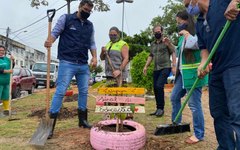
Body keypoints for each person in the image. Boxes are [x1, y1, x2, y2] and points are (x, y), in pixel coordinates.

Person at [44, 0, 97, 139]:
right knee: (61, 91)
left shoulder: (90, 25)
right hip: (67, 62)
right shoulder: (66, 19)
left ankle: (83, 121)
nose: (87, 12)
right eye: (85, 9)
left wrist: (95, 57)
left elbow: (92, 43)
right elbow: (55, 32)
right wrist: (50, 40)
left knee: (84, 92)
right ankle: (49, 127)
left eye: (89, 11)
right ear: (79, 7)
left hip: (83, 64)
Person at [198, 0, 240, 149]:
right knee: (219, 113)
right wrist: (203, 62)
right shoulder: (199, 21)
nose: (187, 5)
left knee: (237, 113)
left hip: (235, 64)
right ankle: (226, 146)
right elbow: (204, 48)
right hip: (217, 70)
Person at [170, 10, 208, 144]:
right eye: (178, 23)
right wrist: (170, 44)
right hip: (182, 75)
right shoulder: (181, 37)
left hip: (194, 74)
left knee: (194, 105)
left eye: (180, 22)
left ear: (187, 21)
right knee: (174, 97)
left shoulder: (197, 30)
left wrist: (186, 34)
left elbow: (196, 44)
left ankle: (199, 134)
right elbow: (179, 51)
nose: (179, 25)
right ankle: (177, 123)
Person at [143, 25, 176, 117]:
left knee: (159, 86)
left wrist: (174, 66)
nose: (157, 33)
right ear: (153, 33)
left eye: (159, 31)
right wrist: (146, 66)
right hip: (156, 68)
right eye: (155, 32)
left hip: (165, 67)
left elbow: (173, 51)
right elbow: (151, 56)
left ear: (162, 32)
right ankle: (158, 108)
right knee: (155, 88)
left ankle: (161, 109)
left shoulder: (166, 41)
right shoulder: (153, 44)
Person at [0, 45, 15, 116]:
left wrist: (13, 61)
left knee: (6, 96)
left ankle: (6, 110)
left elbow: (11, 66)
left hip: (6, 82)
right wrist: (7, 71)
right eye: (0, 50)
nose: (1, 52)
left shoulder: (6, 59)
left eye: (2, 51)